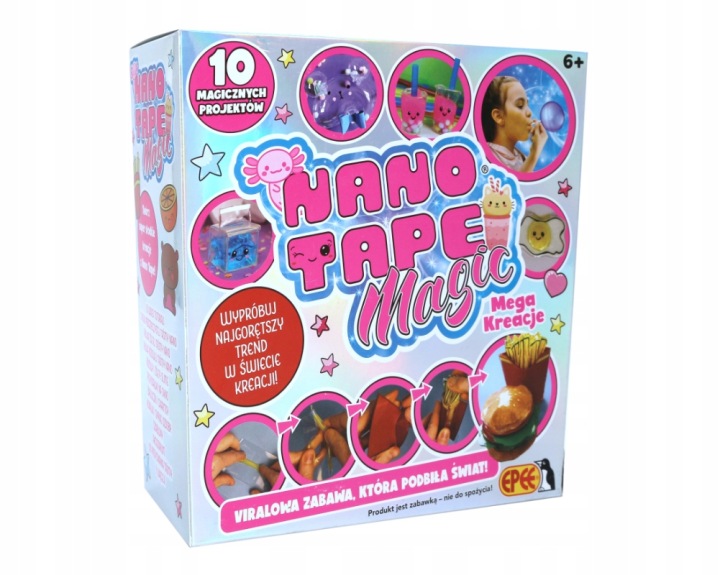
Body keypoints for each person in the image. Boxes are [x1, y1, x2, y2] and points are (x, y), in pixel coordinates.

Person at [481, 76, 548, 172]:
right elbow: (512, 182)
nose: (529, 112)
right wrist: (534, 153)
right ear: (499, 117)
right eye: (520, 105)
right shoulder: (484, 156)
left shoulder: (523, 159)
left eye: (527, 104)